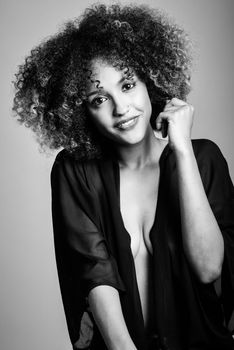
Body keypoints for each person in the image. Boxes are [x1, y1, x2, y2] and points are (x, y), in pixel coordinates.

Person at [12, 3, 234, 350]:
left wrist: (183, 150)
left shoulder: (203, 159)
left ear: (150, 80)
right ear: (80, 110)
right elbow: (93, 274)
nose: (121, 109)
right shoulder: (75, 171)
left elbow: (209, 270)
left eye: (128, 84)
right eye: (100, 98)